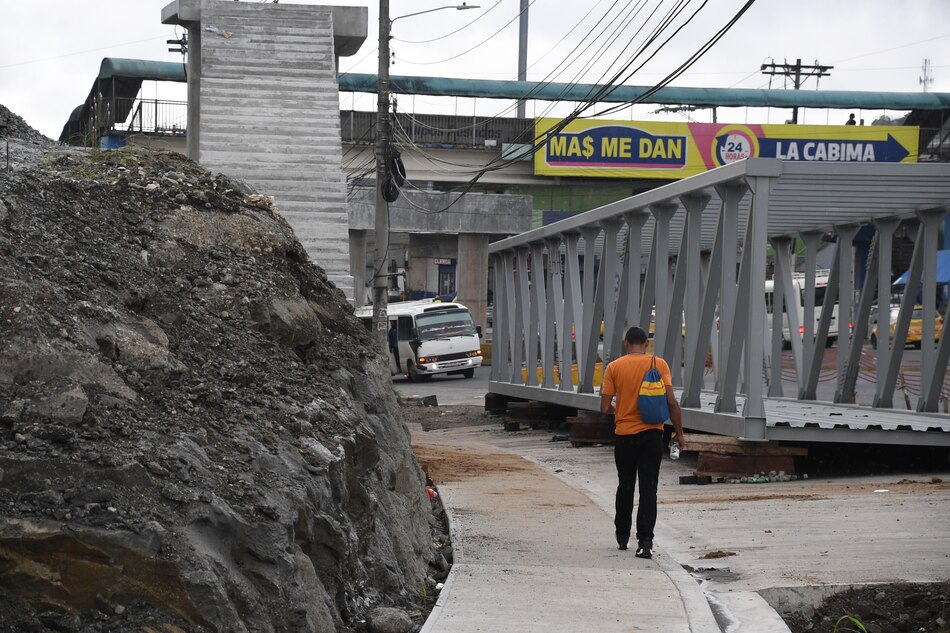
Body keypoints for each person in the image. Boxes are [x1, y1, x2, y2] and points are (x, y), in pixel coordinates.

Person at [600, 326, 685, 559]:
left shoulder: (614, 367)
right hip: (652, 435)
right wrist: (680, 433)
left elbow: (604, 407)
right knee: (649, 488)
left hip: (625, 435)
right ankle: (645, 542)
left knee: (625, 484)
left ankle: (622, 536)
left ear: (626, 343)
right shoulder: (660, 364)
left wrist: (620, 407)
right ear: (646, 344)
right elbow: (672, 404)